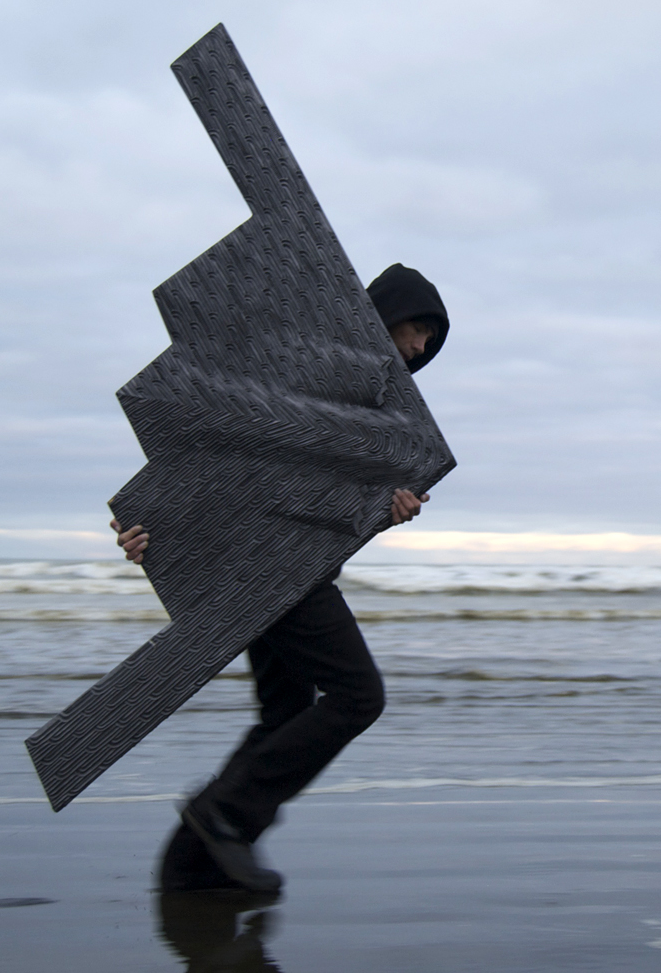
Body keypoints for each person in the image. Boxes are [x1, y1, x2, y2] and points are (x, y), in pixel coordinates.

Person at [111, 263, 449, 893]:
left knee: (287, 708)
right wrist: (149, 524)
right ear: (383, 312)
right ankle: (223, 818)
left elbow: (327, 492)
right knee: (358, 698)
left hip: (284, 565)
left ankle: (195, 866)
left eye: (432, 339)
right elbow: (226, 452)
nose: (422, 347)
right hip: (271, 568)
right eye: (419, 328)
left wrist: (386, 507)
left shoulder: (371, 412)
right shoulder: (305, 374)